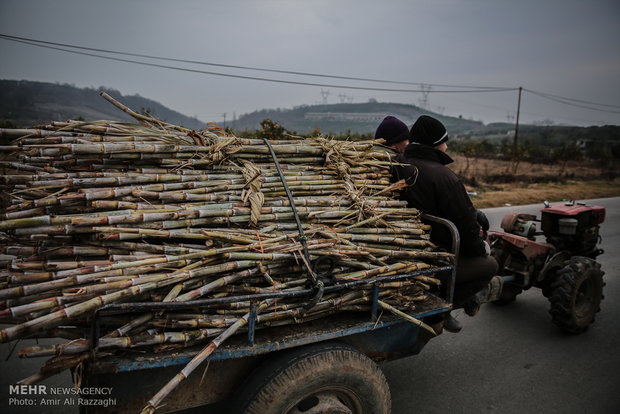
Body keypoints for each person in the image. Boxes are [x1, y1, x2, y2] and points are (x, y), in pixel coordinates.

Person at [392, 115, 498, 333]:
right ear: (436, 144)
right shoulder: (444, 177)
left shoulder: (398, 164)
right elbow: (468, 231)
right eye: (445, 141)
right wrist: (482, 247)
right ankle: (443, 308)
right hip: (434, 256)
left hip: (403, 248)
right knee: (490, 265)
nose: (447, 146)